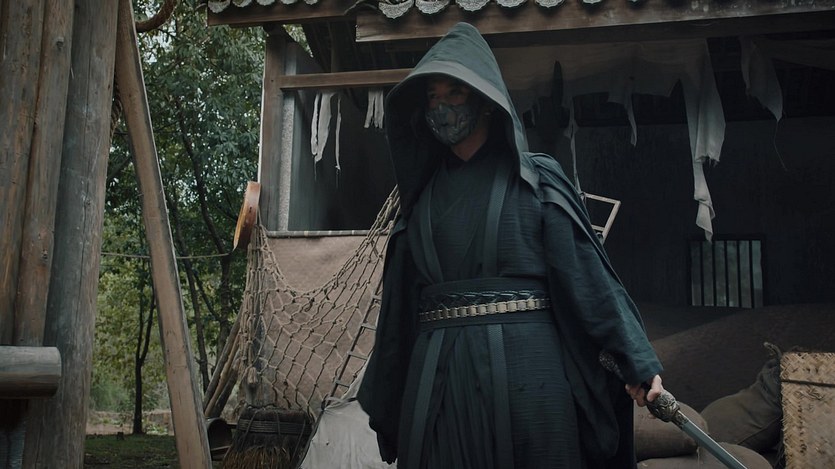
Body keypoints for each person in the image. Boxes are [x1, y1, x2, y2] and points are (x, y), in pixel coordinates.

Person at [357, 22, 664, 469]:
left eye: (454, 93)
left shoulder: (536, 180)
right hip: (438, 383)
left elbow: (587, 278)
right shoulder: (419, 202)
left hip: (529, 379)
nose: (442, 107)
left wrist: (635, 358)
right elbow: (397, 314)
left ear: (485, 100)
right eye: (432, 98)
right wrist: (389, 398)